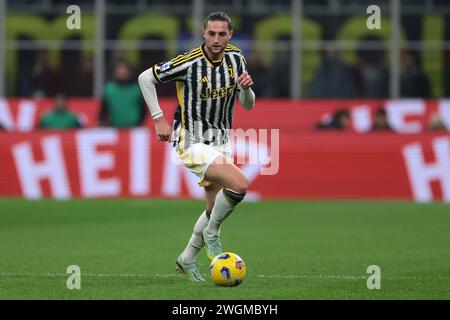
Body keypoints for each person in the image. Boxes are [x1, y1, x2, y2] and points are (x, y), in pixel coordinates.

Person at [138, 12, 255, 282]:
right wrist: (158, 119)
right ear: (203, 33)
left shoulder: (237, 59)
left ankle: (187, 258)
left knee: (215, 206)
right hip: (191, 139)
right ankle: (213, 233)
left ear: (230, 35)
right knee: (239, 184)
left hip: (221, 140)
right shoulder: (188, 62)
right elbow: (146, 78)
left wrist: (246, 89)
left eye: (221, 34)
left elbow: (247, 104)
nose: (216, 39)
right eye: (211, 33)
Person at [99, 59, 146, 128]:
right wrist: (101, 121)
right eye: (119, 69)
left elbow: (143, 109)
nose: (122, 72)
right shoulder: (109, 89)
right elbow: (104, 109)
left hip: (133, 129)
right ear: (114, 72)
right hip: (114, 128)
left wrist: (139, 124)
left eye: (124, 69)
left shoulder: (137, 89)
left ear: (129, 72)